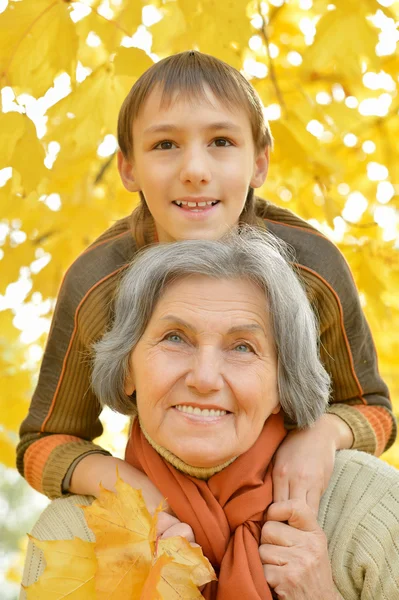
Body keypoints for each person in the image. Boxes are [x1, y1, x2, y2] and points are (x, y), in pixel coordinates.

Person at [17, 51, 395, 517]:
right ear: (128, 168)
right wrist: (133, 489)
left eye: (220, 140)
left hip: (291, 496)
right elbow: (43, 442)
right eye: (164, 145)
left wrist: (320, 438)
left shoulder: (313, 267)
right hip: (162, 481)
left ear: (259, 164)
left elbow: (373, 410)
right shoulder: (96, 282)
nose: (195, 169)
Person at [20, 232, 399, 600]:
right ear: (127, 370)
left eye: (242, 347)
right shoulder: (73, 533)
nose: (204, 378)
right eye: (175, 338)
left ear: (282, 386)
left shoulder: (371, 505)